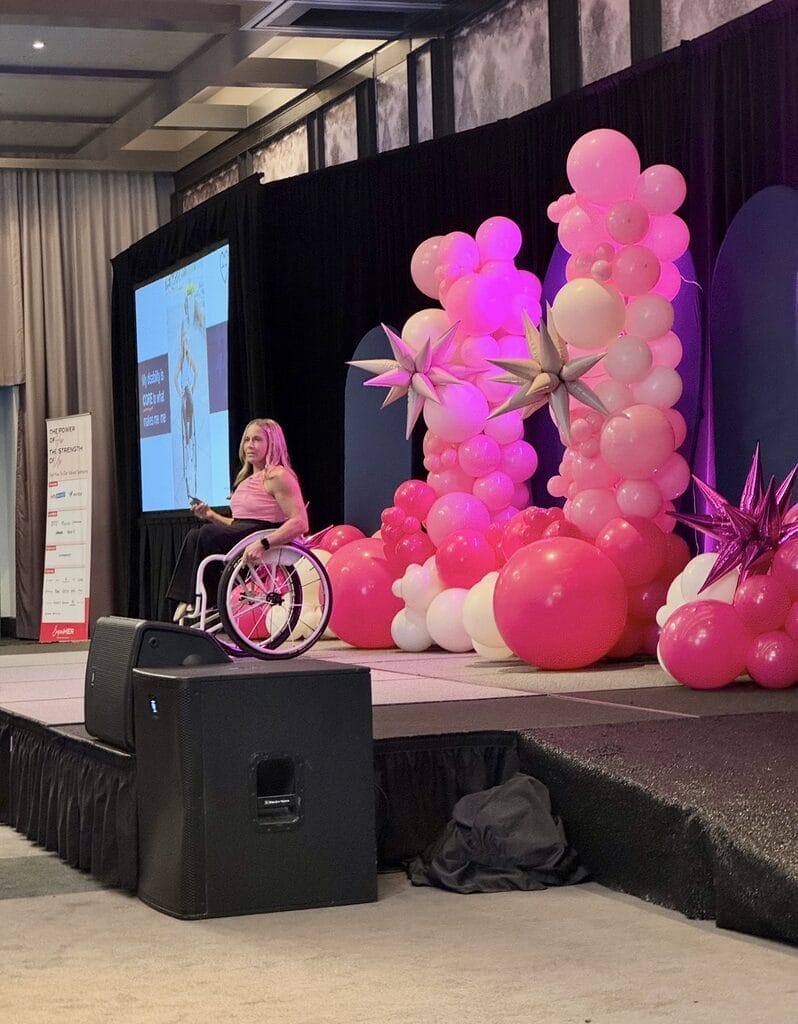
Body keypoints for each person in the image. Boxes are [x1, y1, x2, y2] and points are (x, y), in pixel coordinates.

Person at [166, 418, 308, 622]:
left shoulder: (278, 475)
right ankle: (189, 599)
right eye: (247, 439)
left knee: (205, 535)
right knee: (195, 534)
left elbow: (300, 522)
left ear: (272, 443)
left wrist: (263, 543)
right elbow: (238, 526)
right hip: (245, 531)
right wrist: (211, 515)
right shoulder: (245, 479)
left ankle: (203, 599)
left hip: (264, 532)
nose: (250, 445)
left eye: (257, 439)